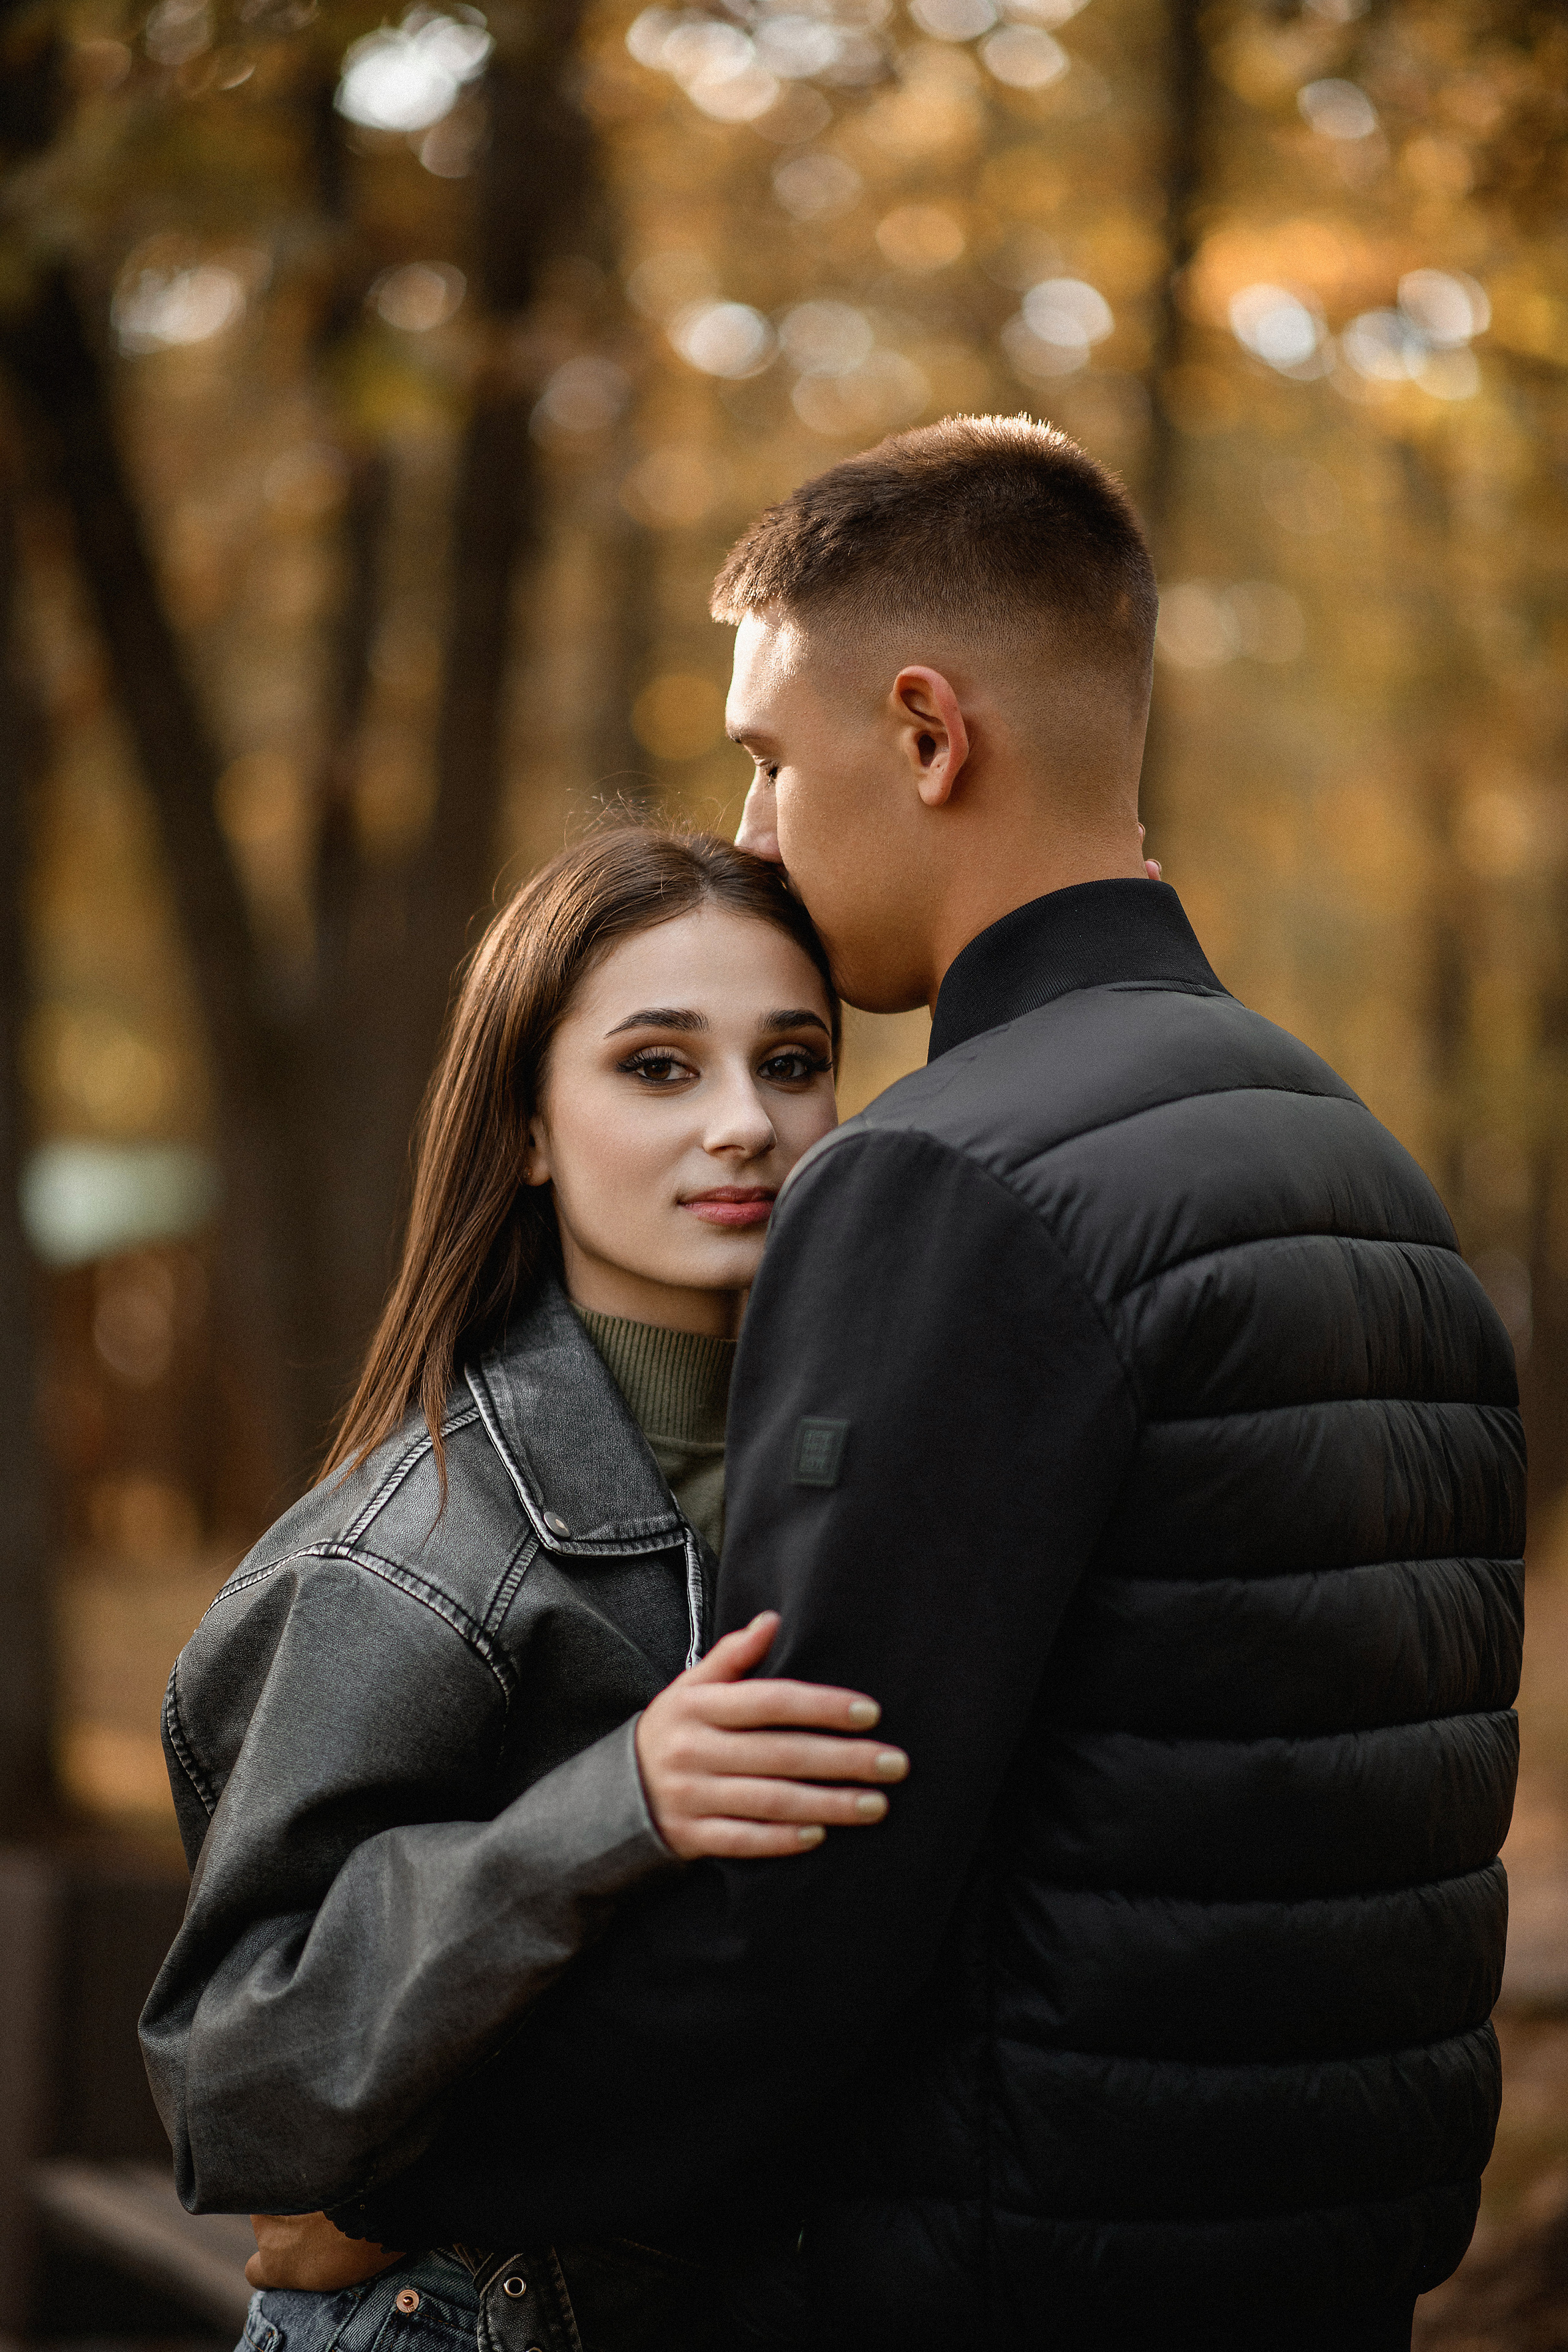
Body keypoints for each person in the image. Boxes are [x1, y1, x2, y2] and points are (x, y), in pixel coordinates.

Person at [300, 417, 1525, 2352]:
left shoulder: (951, 1175)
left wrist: (401, 2186)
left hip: (1002, 2283)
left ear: (931, 733)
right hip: (1325, 2269)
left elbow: (810, 1878)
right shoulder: (1354, 1159)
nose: (761, 827)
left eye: (775, 756)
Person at [138, 827, 914, 2352]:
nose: (747, 1124)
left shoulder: (868, 1480)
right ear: (529, 1127)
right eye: (657, 1067)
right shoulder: (408, 1561)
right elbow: (233, 2081)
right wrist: (611, 1804)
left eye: (794, 1059)